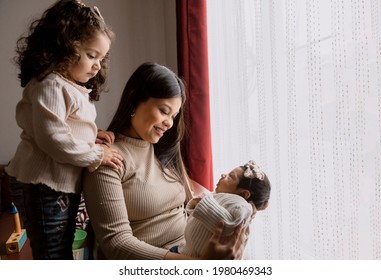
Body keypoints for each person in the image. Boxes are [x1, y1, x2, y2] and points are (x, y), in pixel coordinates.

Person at [82, 62, 247, 260]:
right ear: (135, 100)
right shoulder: (108, 159)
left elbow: (185, 207)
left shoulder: (164, 151)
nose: (169, 123)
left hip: (190, 250)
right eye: (163, 111)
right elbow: (117, 244)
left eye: (174, 116)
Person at [5, 0, 123, 260]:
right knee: (53, 253)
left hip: (56, 184)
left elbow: (67, 126)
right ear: (64, 48)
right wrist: (96, 154)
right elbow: (54, 139)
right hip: (42, 184)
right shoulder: (50, 85)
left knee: (62, 247)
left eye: (101, 59)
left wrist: (91, 135)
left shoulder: (69, 86)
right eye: (91, 55)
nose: (97, 66)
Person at [177, 160, 271, 258]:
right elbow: (201, 217)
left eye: (230, 177)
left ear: (244, 194)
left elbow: (229, 225)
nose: (223, 175)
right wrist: (195, 206)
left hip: (197, 257)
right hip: (185, 250)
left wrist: (203, 202)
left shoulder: (243, 206)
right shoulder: (222, 197)